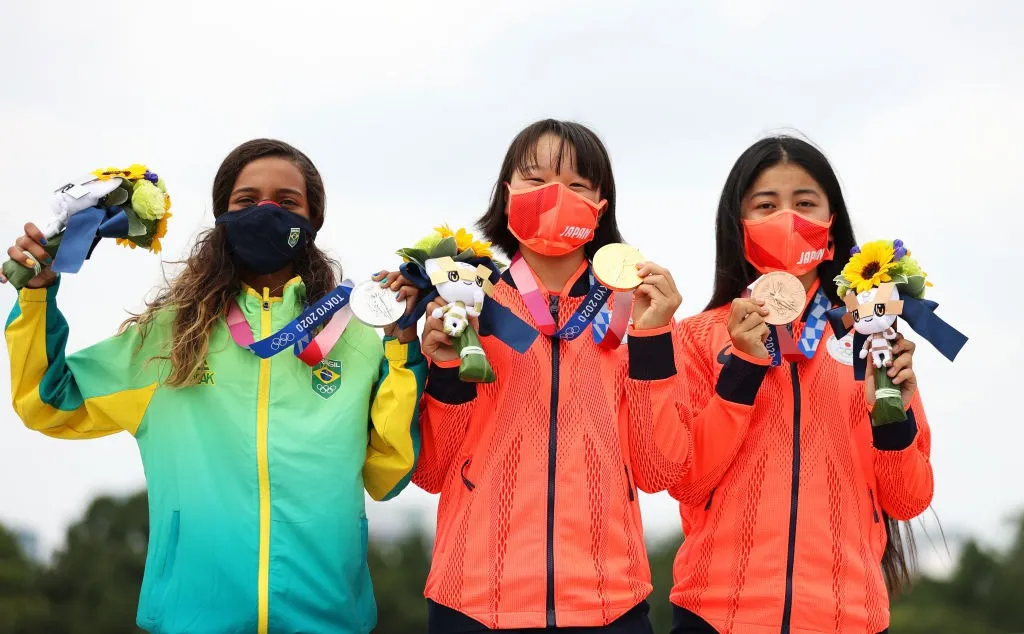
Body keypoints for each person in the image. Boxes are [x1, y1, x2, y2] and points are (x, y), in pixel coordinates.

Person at [3, 139, 427, 634]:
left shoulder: (352, 337)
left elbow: (387, 473)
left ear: (312, 220)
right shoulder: (169, 337)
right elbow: (47, 402)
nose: (267, 211)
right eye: (247, 200)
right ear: (222, 213)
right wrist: (36, 296)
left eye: (287, 202)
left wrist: (403, 348)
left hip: (327, 618)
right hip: (194, 619)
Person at [410, 118, 691, 633]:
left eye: (577, 185)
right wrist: (447, 368)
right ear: (507, 193)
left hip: (610, 603)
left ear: (600, 205)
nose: (555, 195)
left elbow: (660, 471)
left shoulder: (632, 309)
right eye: (536, 180)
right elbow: (431, 471)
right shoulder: (468, 302)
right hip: (471, 600)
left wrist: (653, 340)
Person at [667, 136, 931, 634]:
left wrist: (891, 422)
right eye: (765, 205)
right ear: (738, 228)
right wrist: (742, 369)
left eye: (805, 203)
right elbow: (685, 479)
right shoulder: (698, 338)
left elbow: (907, 500)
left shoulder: (870, 336)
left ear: (831, 231)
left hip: (848, 617)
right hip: (715, 614)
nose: (788, 218)